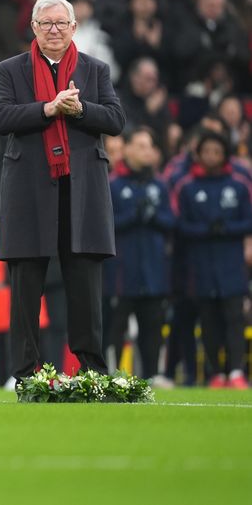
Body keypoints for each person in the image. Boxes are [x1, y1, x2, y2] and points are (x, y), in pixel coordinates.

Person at [0, 0, 125, 387]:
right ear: (33, 27)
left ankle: (92, 370)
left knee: (84, 285)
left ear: (74, 28)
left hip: (81, 192)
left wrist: (78, 110)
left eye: (61, 23)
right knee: (26, 285)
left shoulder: (94, 69)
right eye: (45, 23)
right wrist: (48, 108)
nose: (53, 30)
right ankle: (26, 373)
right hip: (30, 190)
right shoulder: (11, 70)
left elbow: (116, 119)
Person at [175, 131, 252, 389]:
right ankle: (216, 373)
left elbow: (248, 221)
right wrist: (207, 229)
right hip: (201, 265)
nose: (211, 156)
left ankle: (236, 372)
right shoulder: (188, 187)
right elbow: (181, 226)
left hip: (231, 264)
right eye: (207, 151)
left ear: (224, 154)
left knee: (234, 319)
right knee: (207, 321)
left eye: (216, 151)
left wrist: (227, 228)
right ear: (199, 154)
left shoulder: (239, 184)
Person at [105, 127, 176, 384]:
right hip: (122, 273)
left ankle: (152, 375)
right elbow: (105, 224)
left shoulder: (160, 184)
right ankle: (111, 375)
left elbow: (172, 220)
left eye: (150, 146)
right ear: (128, 149)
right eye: (142, 146)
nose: (148, 152)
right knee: (115, 328)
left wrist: (153, 216)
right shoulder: (113, 184)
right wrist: (133, 215)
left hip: (153, 272)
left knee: (153, 328)